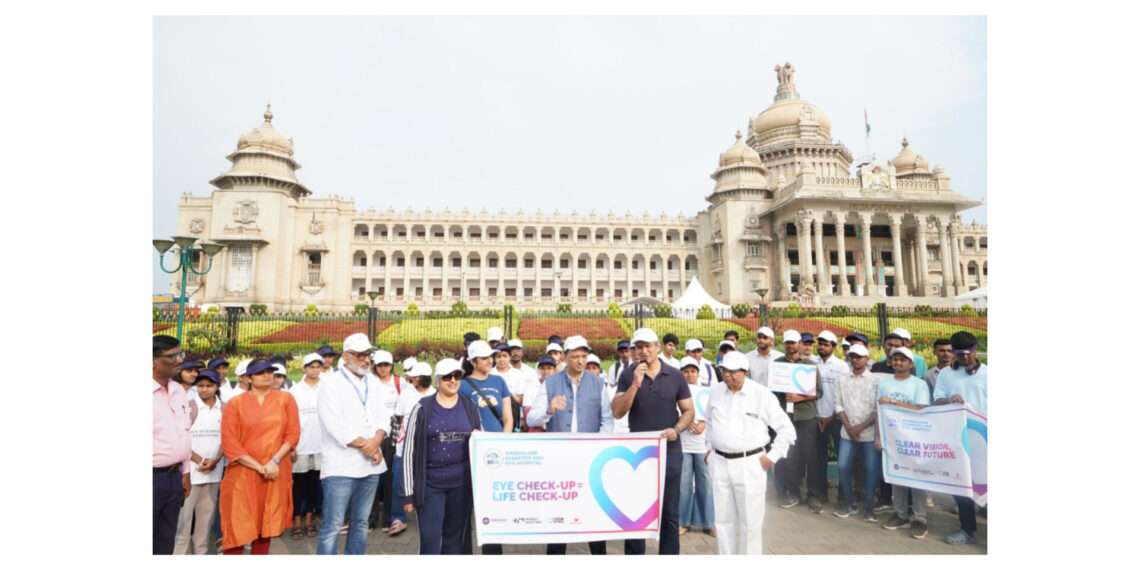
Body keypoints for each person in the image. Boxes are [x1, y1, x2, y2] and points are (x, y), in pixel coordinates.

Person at [612, 328, 695, 555]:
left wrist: (676, 429)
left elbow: (688, 411)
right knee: (635, 511)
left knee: (669, 512)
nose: (644, 351)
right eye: (639, 347)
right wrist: (635, 384)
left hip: (669, 449)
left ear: (658, 347)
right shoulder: (628, 375)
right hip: (638, 454)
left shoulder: (675, 375)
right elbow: (618, 412)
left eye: (648, 346)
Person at [704, 351, 796, 554]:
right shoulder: (715, 392)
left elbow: (787, 430)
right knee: (723, 520)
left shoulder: (762, 395)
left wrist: (771, 457)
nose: (728, 376)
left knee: (750, 522)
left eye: (733, 372)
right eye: (725, 371)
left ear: (745, 372)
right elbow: (708, 423)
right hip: (719, 462)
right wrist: (708, 451)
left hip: (750, 464)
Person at [532, 336, 613, 554]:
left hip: (590, 458)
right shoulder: (550, 382)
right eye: (575, 356)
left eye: (584, 356)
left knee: (593, 513)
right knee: (560, 515)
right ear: (565, 357)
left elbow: (607, 419)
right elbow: (531, 419)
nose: (580, 361)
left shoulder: (598, 383)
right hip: (559, 460)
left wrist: (599, 445)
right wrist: (549, 410)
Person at [315, 333, 393, 555]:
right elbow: (333, 424)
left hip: (371, 465)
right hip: (342, 466)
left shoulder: (374, 382)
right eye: (360, 355)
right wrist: (368, 447)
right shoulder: (330, 383)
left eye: (368, 354)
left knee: (360, 523)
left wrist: (376, 441)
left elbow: (384, 416)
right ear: (346, 355)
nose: (366, 359)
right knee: (333, 525)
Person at [218, 358, 301, 554]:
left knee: (266, 526)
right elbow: (230, 442)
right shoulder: (235, 403)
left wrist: (273, 462)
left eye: (270, 371)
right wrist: (260, 467)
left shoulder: (286, 399)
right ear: (248, 378)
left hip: (275, 471)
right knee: (237, 527)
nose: (267, 376)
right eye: (261, 372)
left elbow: (293, 434)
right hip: (243, 472)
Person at [401, 358, 483, 554]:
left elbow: (481, 444)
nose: (453, 381)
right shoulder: (422, 408)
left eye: (457, 376)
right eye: (447, 377)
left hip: (461, 486)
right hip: (431, 486)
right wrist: (407, 494)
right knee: (430, 540)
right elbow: (408, 452)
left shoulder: (470, 407)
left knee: (454, 540)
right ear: (438, 380)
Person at [932, 331, 987, 546]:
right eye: (960, 354)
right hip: (957, 439)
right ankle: (967, 529)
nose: (965, 358)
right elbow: (936, 400)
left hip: (984, 439)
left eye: (968, 353)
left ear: (975, 350)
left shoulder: (989, 374)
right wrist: (948, 400)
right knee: (962, 486)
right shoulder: (946, 374)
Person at [458, 340, 512, 554]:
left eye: (491, 356)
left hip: (495, 454)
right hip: (470, 452)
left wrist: (503, 444)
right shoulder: (461, 384)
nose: (490, 360)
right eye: (484, 358)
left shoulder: (499, 381)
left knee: (492, 508)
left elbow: (508, 418)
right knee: (466, 508)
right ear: (472, 361)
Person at [876, 347, 932, 539]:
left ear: (911, 364)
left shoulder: (919, 384)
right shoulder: (884, 383)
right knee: (897, 476)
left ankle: (920, 518)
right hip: (892, 437)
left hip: (915, 437)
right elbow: (879, 412)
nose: (899, 363)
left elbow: (921, 409)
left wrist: (893, 402)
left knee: (917, 478)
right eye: (895, 359)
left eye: (903, 360)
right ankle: (900, 514)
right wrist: (878, 436)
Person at [174, 369, 226, 554]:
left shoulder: (224, 408)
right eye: (201, 386)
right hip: (190, 475)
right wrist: (200, 460)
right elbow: (180, 438)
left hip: (213, 474)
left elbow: (228, 439)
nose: (204, 390)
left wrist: (215, 460)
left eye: (209, 385)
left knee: (204, 525)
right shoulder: (188, 406)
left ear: (217, 387)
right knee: (183, 526)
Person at [773, 330, 825, 513]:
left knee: (810, 457)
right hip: (786, 418)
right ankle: (793, 494)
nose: (791, 346)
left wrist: (800, 398)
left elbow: (818, 392)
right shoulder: (777, 364)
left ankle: (813, 495)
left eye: (794, 343)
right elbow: (773, 391)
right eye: (787, 343)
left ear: (799, 344)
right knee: (790, 457)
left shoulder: (810, 365)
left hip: (806, 417)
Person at [153, 335, 193, 555]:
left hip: (173, 478)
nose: (180, 360)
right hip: (152, 478)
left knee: (165, 541)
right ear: (153, 362)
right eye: (173, 356)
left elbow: (184, 432)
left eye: (181, 354)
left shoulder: (178, 390)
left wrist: (185, 472)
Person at [832, 344, 880, 522]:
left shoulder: (875, 381)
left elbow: (877, 408)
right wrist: (850, 427)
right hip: (847, 432)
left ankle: (868, 507)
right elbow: (838, 405)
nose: (856, 360)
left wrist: (860, 427)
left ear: (867, 359)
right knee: (843, 467)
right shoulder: (841, 379)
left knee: (870, 470)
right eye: (853, 356)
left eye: (860, 356)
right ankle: (849, 503)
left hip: (868, 433)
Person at [389, 361, 435, 536]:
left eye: (414, 378)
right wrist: (397, 441)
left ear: (420, 379)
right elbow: (397, 419)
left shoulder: (435, 394)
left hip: (427, 448)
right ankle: (397, 517)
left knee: (428, 482)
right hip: (403, 447)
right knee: (398, 481)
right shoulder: (406, 395)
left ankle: (428, 515)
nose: (411, 380)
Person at [288, 353, 324, 540]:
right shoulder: (295, 391)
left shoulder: (326, 388)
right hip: (301, 446)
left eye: (318, 366)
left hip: (320, 446)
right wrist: (292, 447)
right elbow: (290, 421)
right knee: (299, 486)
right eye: (311, 366)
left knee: (314, 485)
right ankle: (296, 522)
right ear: (304, 369)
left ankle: (309, 521)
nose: (315, 370)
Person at [678, 357, 714, 538]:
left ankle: (708, 523)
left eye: (693, 371)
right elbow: (673, 412)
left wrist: (702, 423)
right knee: (683, 485)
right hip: (683, 444)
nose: (689, 374)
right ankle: (682, 522)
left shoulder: (707, 392)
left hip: (702, 445)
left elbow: (713, 413)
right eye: (685, 371)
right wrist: (687, 421)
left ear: (698, 373)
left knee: (705, 484)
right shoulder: (676, 391)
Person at [368, 350, 402, 531]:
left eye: (386, 365)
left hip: (392, 436)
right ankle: (371, 517)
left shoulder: (399, 383)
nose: (383, 368)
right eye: (380, 365)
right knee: (372, 476)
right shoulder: (369, 383)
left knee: (389, 477)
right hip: (373, 435)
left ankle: (388, 517)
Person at [814, 330, 848, 508]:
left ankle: (843, 496)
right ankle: (821, 494)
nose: (822, 347)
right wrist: (820, 416)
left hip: (835, 419)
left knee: (841, 459)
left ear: (833, 347)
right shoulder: (812, 363)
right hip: (817, 418)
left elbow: (843, 395)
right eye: (820, 343)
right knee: (819, 458)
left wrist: (831, 416)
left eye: (826, 344)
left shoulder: (842, 367)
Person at [522, 356, 558, 431]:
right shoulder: (531, 387)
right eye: (542, 368)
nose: (546, 371)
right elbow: (527, 412)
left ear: (555, 370)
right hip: (536, 428)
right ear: (538, 370)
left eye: (549, 368)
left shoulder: (559, 386)